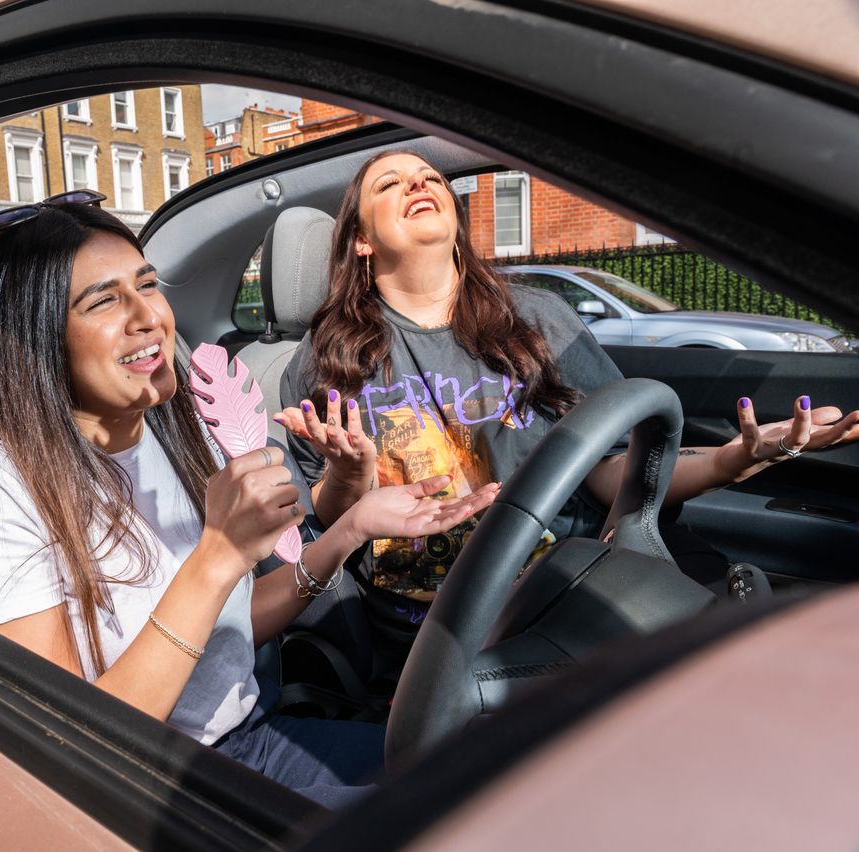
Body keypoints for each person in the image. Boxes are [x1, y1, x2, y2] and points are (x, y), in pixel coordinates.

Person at [0, 192, 499, 808]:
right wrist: (219, 553)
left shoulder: (171, 427)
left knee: (494, 769)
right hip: (144, 791)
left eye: (148, 285)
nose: (149, 316)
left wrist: (351, 526)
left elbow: (224, 632)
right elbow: (66, 741)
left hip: (250, 743)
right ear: (39, 340)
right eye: (103, 301)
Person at [277, 150, 859, 663]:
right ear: (361, 239)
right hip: (435, 634)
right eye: (390, 184)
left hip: (568, 585)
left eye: (429, 177)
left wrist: (735, 459)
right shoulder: (324, 361)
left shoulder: (540, 320)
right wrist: (349, 475)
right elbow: (330, 524)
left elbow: (610, 467)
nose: (418, 185)